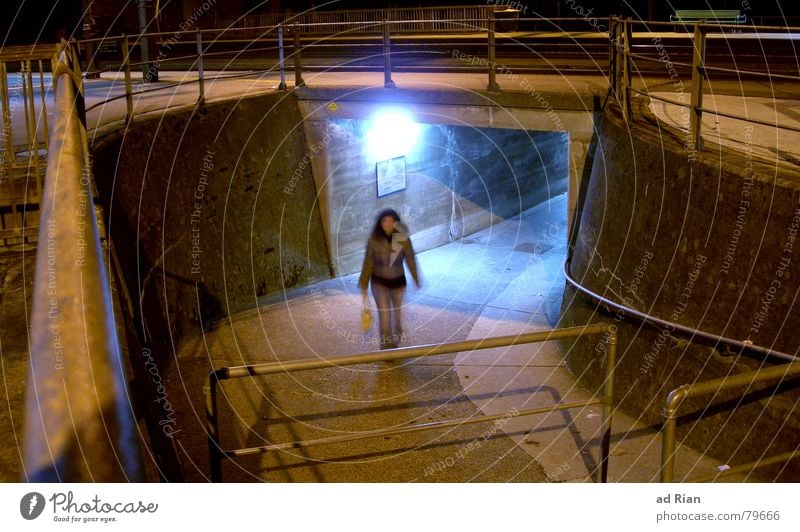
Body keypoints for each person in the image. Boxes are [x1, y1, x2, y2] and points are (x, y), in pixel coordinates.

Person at [359, 209, 420, 350]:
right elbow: (368, 262)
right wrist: (363, 285)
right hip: (379, 283)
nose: (388, 224)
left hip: (398, 283)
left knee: (397, 318)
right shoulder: (373, 240)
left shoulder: (403, 239)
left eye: (392, 221)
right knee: (385, 316)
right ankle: (387, 346)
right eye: (385, 221)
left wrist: (416, 277)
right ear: (380, 223)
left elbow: (410, 258)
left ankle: (396, 337)